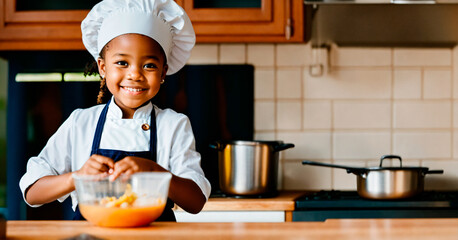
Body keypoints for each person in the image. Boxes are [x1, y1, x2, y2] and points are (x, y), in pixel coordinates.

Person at [19, 0, 211, 221]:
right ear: (102, 67)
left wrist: (153, 172)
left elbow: (196, 202)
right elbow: (32, 193)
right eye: (122, 63)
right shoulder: (81, 122)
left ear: (163, 72)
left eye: (149, 65)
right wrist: (78, 177)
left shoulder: (173, 125)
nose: (135, 74)